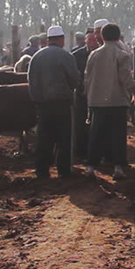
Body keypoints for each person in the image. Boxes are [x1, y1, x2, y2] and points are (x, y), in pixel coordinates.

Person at [84, 23, 135, 179]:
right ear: (117, 37)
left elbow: (87, 79)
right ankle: (118, 168)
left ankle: (90, 167)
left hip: (96, 101)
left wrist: (89, 97)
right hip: (117, 102)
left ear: (102, 36)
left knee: (96, 134)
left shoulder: (93, 54)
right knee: (117, 135)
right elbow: (126, 80)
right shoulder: (122, 55)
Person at [28, 26, 79, 178]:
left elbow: (31, 81)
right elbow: (74, 80)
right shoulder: (66, 56)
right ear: (62, 39)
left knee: (44, 137)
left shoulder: (36, 57)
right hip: (62, 103)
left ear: (48, 40)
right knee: (64, 138)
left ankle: (42, 170)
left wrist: (37, 100)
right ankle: (63, 170)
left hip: (43, 104)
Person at [72, 33, 99, 158]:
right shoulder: (76, 55)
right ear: (85, 40)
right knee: (80, 123)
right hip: (81, 95)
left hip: (97, 94)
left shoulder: (101, 54)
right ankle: (81, 151)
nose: (92, 42)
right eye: (90, 40)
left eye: (95, 40)